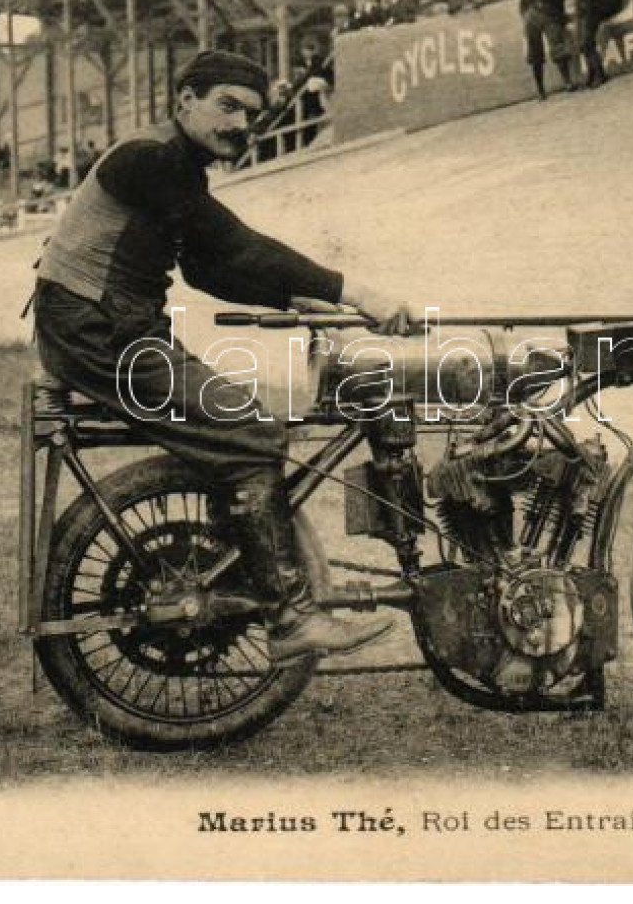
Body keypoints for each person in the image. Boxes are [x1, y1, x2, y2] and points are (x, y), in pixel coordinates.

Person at [32, 50, 409, 664]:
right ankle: (290, 618)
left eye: (253, 115)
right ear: (185, 100)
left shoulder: (174, 166)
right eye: (227, 106)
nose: (240, 124)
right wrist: (352, 290)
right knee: (248, 427)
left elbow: (208, 267)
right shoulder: (151, 158)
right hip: (97, 332)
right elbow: (230, 243)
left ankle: (244, 563)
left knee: (240, 422)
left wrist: (300, 297)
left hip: (107, 327)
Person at [516, 0, 575, 99]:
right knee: (535, 53)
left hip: (550, 14)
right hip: (534, 15)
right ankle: (540, 89)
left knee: (558, 48)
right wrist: (525, 14)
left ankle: (567, 82)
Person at [567, 0, 611, 89]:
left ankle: (599, 74)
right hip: (583, 12)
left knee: (587, 43)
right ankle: (593, 74)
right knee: (583, 44)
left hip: (590, 11)